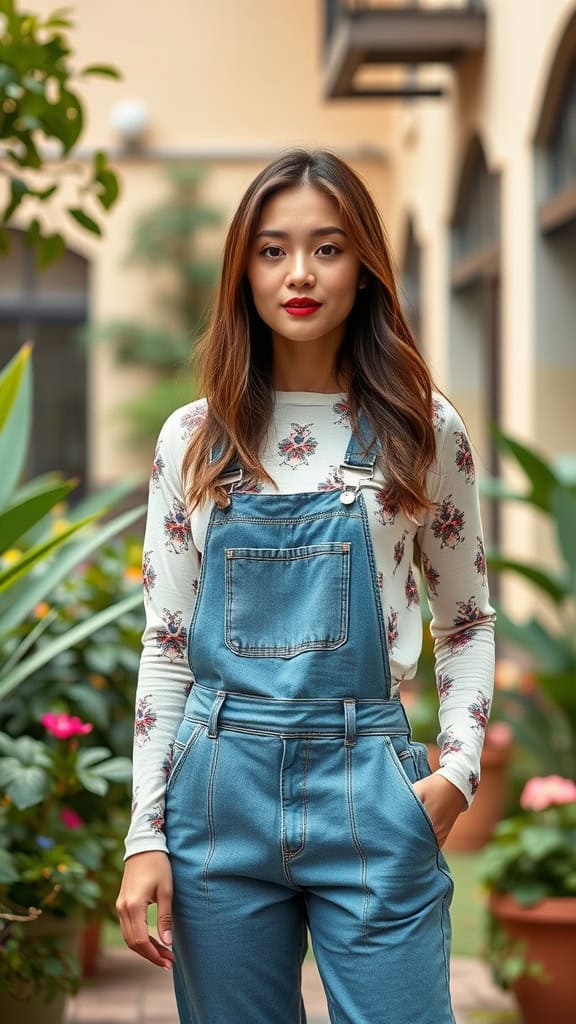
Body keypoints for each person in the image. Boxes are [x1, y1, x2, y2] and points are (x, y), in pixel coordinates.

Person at [116, 149, 496, 1024]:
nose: (299, 274)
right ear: (241, 269)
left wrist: (458, 773)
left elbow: (466, 620)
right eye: (272, 249)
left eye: (327, 248)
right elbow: (167, 646)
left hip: (369, 783)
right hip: (217, 792)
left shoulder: (422, 426)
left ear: (364, 267)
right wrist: (146, 835)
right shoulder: (193, 440)